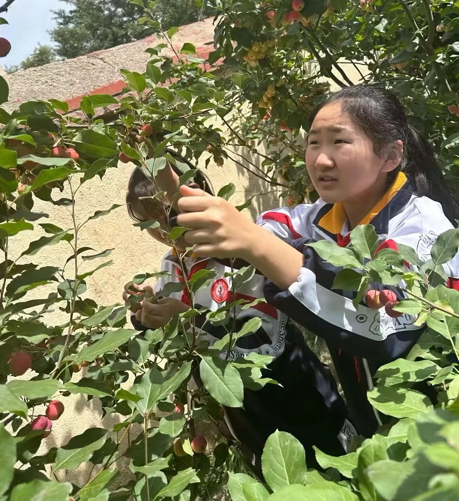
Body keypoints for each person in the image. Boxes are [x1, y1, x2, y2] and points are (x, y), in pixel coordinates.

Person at [169, 85, 459, 438]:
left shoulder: (425, 227)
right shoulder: (315, 219)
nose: (321, 159)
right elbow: (252, 240)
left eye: (339, 142)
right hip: (374, 427)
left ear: (390, 156)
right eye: (314, 142)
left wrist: (254, 243)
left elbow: (386, 326)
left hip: (439, 425)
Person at [123, 158, 356, 471]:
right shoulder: (171, 264)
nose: (164, 232)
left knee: (333, 467)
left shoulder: (237, 254)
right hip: (240, 409)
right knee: (273, 478)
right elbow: (176, 333)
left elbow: (263, 337)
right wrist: (146, 313)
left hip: (292, 391)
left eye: (169, 217)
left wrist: (190, 317)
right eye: (146, 222)